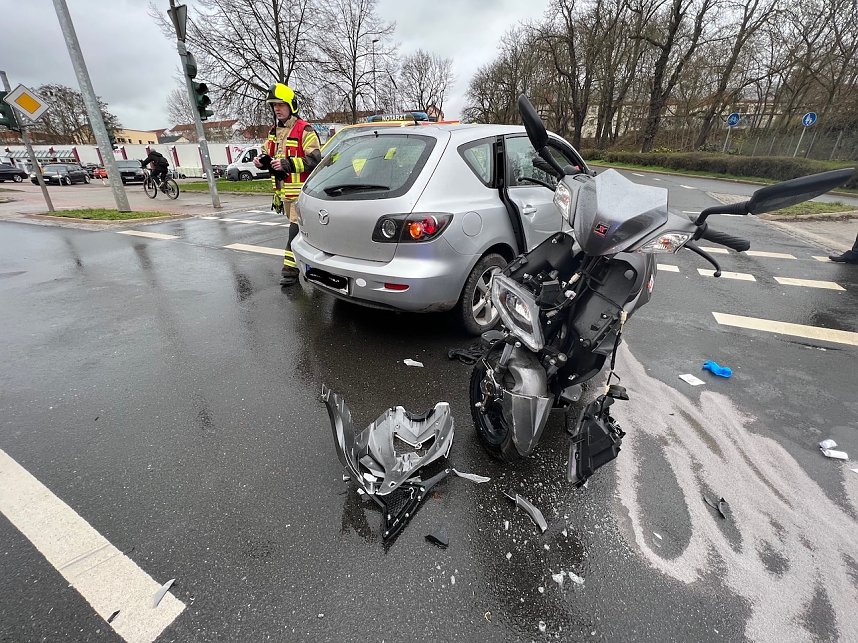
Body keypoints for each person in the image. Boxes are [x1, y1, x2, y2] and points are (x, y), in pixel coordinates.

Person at [254, 82, 321, 287]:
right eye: (274, 105)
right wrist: (262, 160)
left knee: (295, 232)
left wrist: (288, 164)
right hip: (285, 193)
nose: (277, 109)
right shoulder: (274, 132)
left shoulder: (305, 129)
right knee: (307, 234)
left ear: (291, 105)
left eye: (281, 104)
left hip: (303, 195)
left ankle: (289, 271)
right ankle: (316, 267)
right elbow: (269, 153)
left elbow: (316, 160)